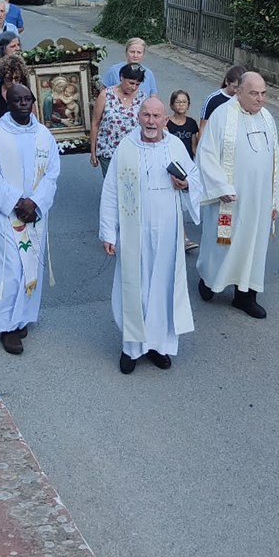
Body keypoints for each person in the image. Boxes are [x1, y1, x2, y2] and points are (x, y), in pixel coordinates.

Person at [99, 97, 201, 374]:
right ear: (138, 117)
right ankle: (131, 348)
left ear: (165, 120)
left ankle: (159, 345)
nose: (151, 121)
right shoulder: (126, 147)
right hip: (135, 232)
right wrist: (108, 232)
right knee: (135, 286)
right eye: (146, 115)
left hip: (168, 231)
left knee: (162, 288)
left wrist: (186, 184)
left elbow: (195, 177)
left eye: (157, 116)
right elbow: (111, 191)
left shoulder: (175, 146)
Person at [195, 71, 279, 319]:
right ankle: (209, 280)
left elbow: (275, 159)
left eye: (263, 94)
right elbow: (206, 154)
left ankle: (245, 296)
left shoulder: (267, 118)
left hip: (259, 201)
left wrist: (275, 199)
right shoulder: (222, 116)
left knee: (254, 248)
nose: (260, 99)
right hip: (230, 201)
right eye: (254, 93)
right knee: (222, 246)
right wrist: (220, 187)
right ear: (239, 92)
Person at [0, 83, 60, 355]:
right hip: (7, 215)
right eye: (17, 100)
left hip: (34, 214)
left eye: (27, 99)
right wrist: (17, 201)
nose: (23, 103)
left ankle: (21, 317)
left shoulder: (44, 135)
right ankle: (6, 326)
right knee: (10, 269)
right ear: (9, 103)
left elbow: (52, 174)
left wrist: (35, 202)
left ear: (33, 101)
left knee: (30, 268)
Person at [89, 63, 145, 176]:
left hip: (133, 151)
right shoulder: (106, 95)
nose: (133, 87)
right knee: (112, 187)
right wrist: (93, 152)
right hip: (108, 150)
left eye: (137, 84)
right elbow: (95, 123)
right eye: (131, 83)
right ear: (121, 78)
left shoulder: (142, 97)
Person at [167, 90, 201, 252]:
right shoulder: (167, 124)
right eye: (178, 102)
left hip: (189, 168)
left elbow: (194, 147)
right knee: (177, 205)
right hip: (173, 168)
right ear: (172, 104)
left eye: (184, 102)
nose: (181, 105)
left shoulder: (192, 123)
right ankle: (184, 238)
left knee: (193, 201)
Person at [197, 65, 246, 138]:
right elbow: (203, 126)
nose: (237, 91)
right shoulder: (213, 99)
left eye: (240, 88)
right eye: (234, 87)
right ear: (227, 82)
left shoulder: (245, 99)